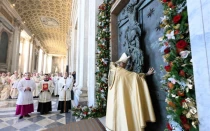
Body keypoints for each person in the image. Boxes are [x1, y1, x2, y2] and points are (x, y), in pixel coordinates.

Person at [106, 53, 156, 131]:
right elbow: (135, 77)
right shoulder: (121, 72)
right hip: (120, 98)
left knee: (117, 116)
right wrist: (147, 74)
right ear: (122, 63)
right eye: (125, 64)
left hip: (114, 100)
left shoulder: (112, 70)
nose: (125, 66)